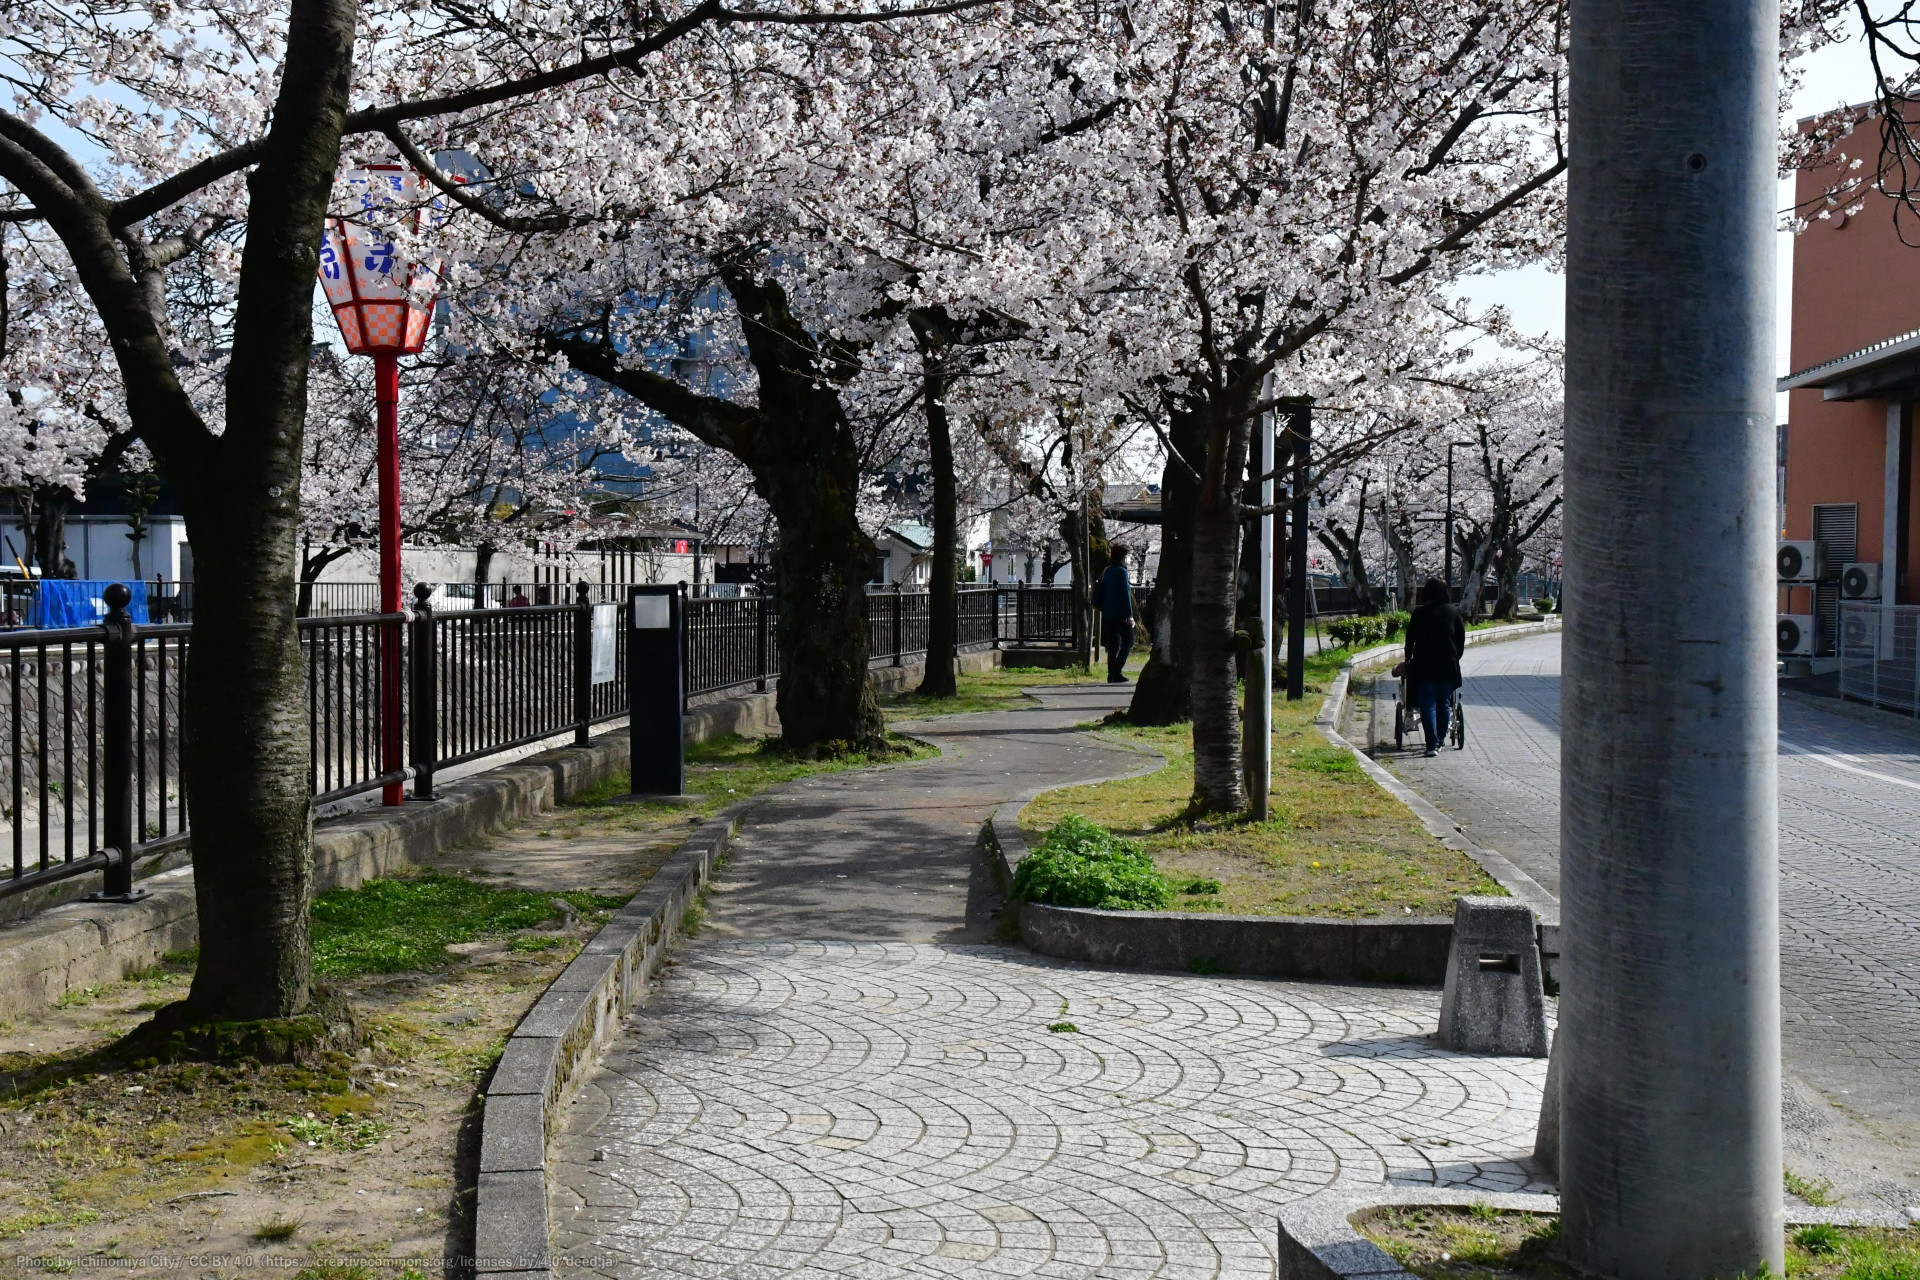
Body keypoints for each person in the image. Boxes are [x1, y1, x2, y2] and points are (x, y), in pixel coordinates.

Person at [1403, 576, 1465, 756]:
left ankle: (1431, 745)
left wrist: (1408, 660)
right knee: (1444, 704)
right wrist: (1455, 657)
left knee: (1427, 704)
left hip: (1424, 664)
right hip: (1447, 664)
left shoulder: (1419, 614)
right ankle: (1440, 740)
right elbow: (1460, 640)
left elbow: (1409, 641)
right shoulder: (1452, 612)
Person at [1092, 544, 1135, 683]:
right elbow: (1125, 595)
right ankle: (1116, 671)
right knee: (1128, 641)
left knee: (1114, 644)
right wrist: (1129, 615)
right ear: (1122, 557)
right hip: (1120, 613)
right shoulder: (1122, 572)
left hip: (1107, 612)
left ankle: (1112, 674)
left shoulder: (1107, 570)